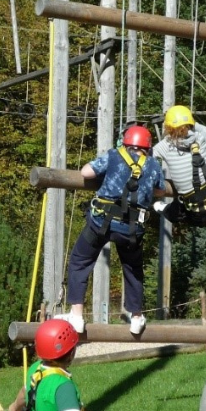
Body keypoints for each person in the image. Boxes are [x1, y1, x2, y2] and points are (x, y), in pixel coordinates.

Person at [63, 125, 167, 336]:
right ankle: (136, 317)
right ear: (147, 147)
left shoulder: (113, 155)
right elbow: (160, 189)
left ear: (126, 142)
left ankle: (76, 316)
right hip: (132, 228)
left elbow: (86, 172)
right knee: (132, 268)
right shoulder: (154, 165)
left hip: (102, 222)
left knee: (80, 261)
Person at [152, 105, 206, 227]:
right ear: (191, 123)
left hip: (197, 214)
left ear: (167, 127)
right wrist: (191, 121)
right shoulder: (200, 138)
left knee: (177, 213)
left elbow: (148, 158)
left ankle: (167, 209)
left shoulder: (164, 146)